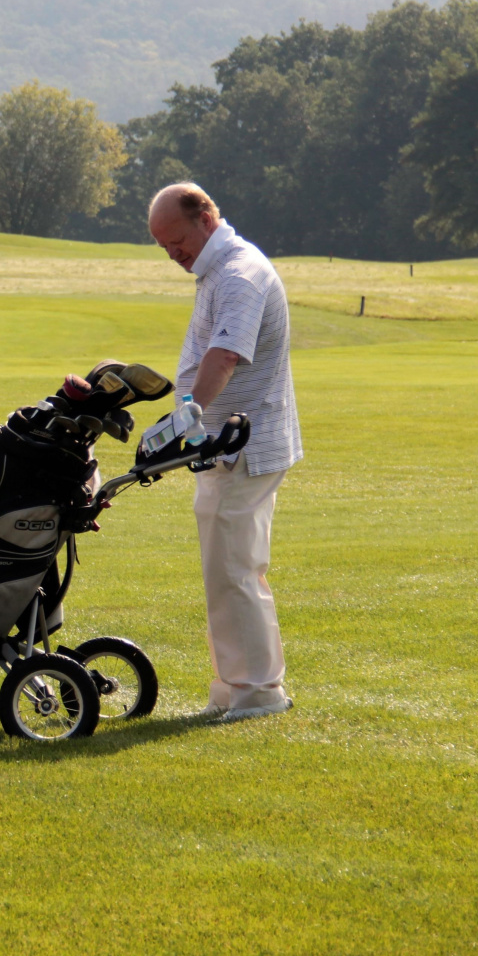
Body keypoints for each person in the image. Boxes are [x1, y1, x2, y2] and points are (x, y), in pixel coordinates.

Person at [147, 182, 302, 721]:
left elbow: (225, 355)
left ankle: (257, 693)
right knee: (227, 571)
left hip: (242, 446)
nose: (173, 253)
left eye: (178, 241)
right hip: (223, 448)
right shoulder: (219, 269)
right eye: (164, 246)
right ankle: (233, 688)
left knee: (236, 571)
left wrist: (185, 415)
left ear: (206, 219)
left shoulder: (239, 274)